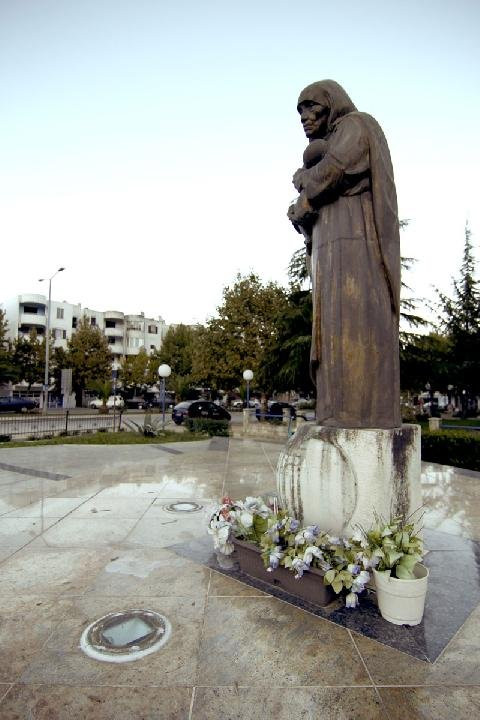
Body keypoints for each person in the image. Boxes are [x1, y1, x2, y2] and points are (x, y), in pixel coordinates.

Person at [288, 80, 401, 429]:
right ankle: (335, 410)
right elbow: (316, 203)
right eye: (301, 111)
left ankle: (361, 412)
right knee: (332, 335)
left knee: (355, 325)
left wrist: (303, 180)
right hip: (331, 252)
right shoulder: (331, 142)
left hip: (357, 249)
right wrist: (302, 214)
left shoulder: (356, 125)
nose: (305, 117)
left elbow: (328, 175)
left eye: (312, 107)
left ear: (331, 103)